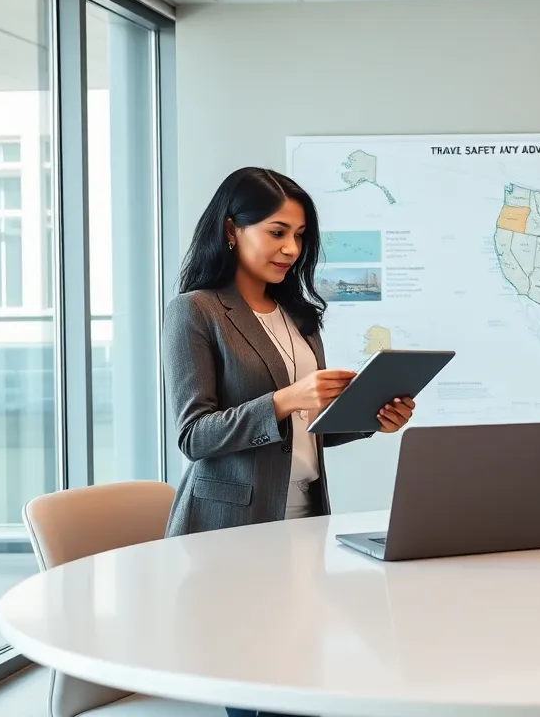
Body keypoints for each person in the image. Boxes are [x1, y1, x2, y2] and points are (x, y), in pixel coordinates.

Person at [161, 167, 415, 717]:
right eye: (277, 232)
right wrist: (284, 399)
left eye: (299, 236)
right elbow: (193, 434)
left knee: (302, 680)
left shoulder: (300, 317)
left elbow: (307, 429)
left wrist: (372, 419)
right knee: (257, 687)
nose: (292, 249)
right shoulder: (196, 311)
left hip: (304, 521)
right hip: (230, 532)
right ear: (232, 230)